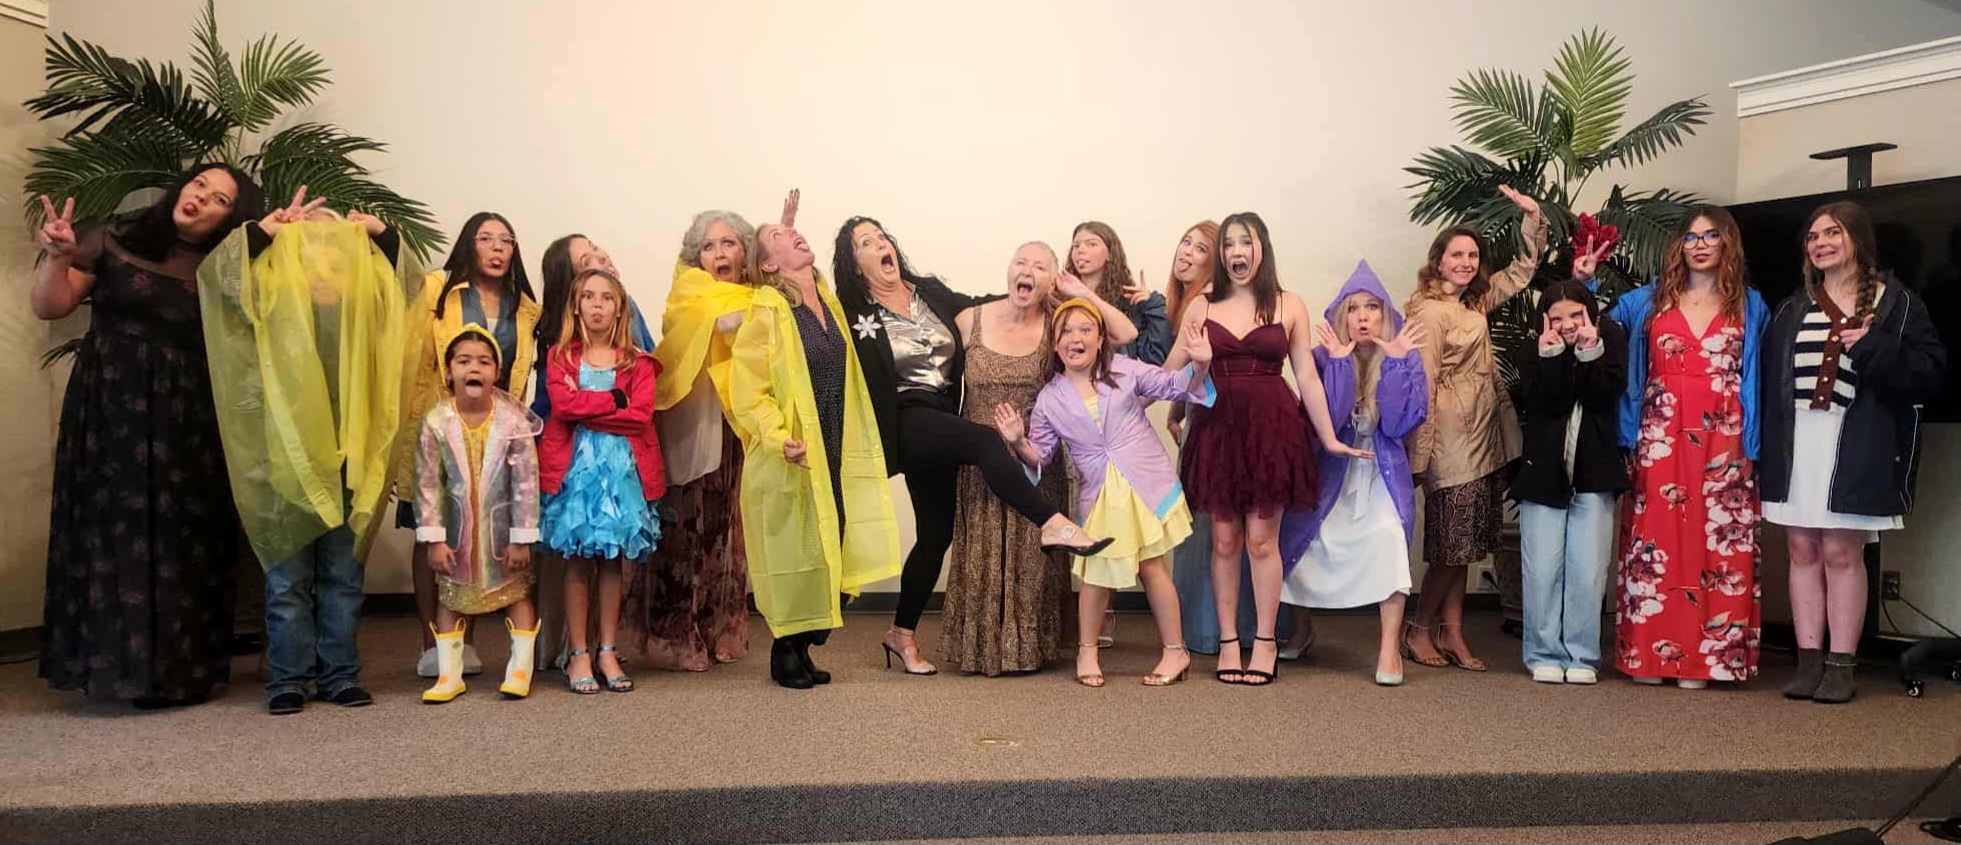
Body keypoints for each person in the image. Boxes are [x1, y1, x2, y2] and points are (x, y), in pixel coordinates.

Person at [832, 217, 1114, 675]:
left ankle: (900, 634)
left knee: (935, 534)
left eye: (882, 236)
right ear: (854, 262)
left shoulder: (927, 293)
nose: (880, 244)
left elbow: (986, 307)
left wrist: (1044, 292)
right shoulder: (851, 309)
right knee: (985, 439)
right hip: (903, 418)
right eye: (866, 242)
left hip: (941, 421)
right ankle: (1053, 523)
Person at [33, 165, 264, 708]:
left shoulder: (228, 267)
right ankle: (116, 669)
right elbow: (50, 305)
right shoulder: (115, 235)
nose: (202, 198)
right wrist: (59, 258)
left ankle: (181, 671)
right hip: (111, 407)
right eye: (199, 184)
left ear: (230, 219)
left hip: (192, 413)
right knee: (113, 530)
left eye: (220, 200)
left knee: (188, 535)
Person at [199, 189, 416, 714]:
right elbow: (220, 283)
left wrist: (382, 236)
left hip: (351, 459)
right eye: (309, 252)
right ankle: (289, 679)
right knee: (286, 577)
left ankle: (340, 674)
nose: (322, 266)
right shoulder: (270, 297)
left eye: (335, 256)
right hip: (286, 456)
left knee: (343, 575)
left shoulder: (369, 309)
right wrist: (265, 234)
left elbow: (410, 289)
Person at [1166, 211, 1363, 686]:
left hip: (1272, 430)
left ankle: (1267, 641)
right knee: (1224, 541)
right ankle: (1228, 641)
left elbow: (1307, 378)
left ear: (1262, 249)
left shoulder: (1289, 304)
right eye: (1229, 244)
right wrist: (1144, 399)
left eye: (1245, 242)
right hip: (1217, 428)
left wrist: (1330, 438)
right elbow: (1168, 375)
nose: (1236, 251)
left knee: (1261, 542)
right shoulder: (1201, 307)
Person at [1761, 201, 1945, 704]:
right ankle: (1808, 662)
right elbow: (1769, 380)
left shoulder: (1897, 304)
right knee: (1801, 550)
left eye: (1832, 233)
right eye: (1813, 236)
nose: (1820, 243)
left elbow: (1929, 373)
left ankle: (1841, 665)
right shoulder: (1792, 307)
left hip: (1858, 441)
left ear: (1858, 239)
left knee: (1841, 552)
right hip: (1797, 442)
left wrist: (1872, 346)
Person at [942, 242, 1136, 676]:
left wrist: (1080, 293)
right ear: (1009, 270)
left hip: (1034, 462)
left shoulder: (1058, 325)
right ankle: (981, 649)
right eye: (1021, 262)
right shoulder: (970, 319)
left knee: (1031, 562)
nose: (1027, 271)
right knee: (982, 561)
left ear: (1052, 280)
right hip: (978, 468)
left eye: (1040, 266)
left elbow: (1124, 335)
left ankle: (1028, 650)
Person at [998, 298, 1214, 686]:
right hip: (1099, 494)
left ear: (1100, 339)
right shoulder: (1049, 398)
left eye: (1085, 329)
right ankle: (1087, 652)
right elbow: (1040, 456)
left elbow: (1173, 385)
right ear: (1055, 343)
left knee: (1152, 567)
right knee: (1096, 572)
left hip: (1144, 484)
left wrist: (1200, 365)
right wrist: (1017, 442)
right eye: (1066, 331)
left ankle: (1175, 652)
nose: (1075, 338)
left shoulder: (1125, 370)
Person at [729, 220, 903, 689]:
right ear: (768, 265)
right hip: (794, 452)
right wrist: (777, 437)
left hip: (834, 445)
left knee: (832, 546)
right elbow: (748, 389)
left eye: (792, 231)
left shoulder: (828, 303)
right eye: (778, 238)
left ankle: (805, 645)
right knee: (798, 550)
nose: (794, 234)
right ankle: (785, 648)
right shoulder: (767, 310)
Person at [1604, 206, 1769, 689]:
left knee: (1717, 541)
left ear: (1727, 243)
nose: (1700, 245)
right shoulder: (1646, 301)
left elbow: (1761, 374)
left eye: (1711, 235)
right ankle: (1650, 657)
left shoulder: (1751, 305)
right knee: (1656, 541)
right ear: (1678, 245)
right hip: (1659, 433)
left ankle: (1706, 661)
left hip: (1727, 436)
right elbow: (1597, 332)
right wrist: (1586, 280)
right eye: (1692, 237)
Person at [1403, 185, 1548, 673]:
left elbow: (1522, 271)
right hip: (1449, 440)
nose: (1466, 262)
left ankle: (1453, 632)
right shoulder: (1427, 311)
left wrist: (1533, 218)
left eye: (1472, 255)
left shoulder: (1472, 303)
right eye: (1457, 255)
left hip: (1485, 433)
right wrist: (1418, 457)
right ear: (1438, 261)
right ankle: (1419, 630)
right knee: (1450, 546)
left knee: (1466, 545)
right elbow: (1421, 386)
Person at [637, 204, 788, 671]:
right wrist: (758, 308)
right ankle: (676, 634)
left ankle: (723, 626)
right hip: (693, 421)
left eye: (729, 243)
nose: (719, 253)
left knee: (730, 526)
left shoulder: (759, 295)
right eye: (708, 246)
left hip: (737, 422)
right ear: (696, 256)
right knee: (687, 525)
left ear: (745, 253)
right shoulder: (690, 290)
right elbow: (717, 325)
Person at [397, 212, 541, 679]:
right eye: (486, 238)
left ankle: (469, 642)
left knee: (482, 532)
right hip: (443, 427)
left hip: (497, 434)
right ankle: (433, 645)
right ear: (468, 245)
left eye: (506, 240)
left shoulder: (525, 307)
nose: (497, 248)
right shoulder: (438, 291)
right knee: (434, 531)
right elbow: (413, 354)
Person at [1277, 261, 1429, 686]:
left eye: (1372, 307)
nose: (1363, 317)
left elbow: (1399, 425)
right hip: (1333, 475)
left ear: (1384, 314)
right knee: (1300, 541)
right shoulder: (1322, 357)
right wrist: (1341, 367)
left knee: (1389, 540)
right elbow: (1326, 418)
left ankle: (1388, 648)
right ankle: (1303, 629)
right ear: (1342, 317)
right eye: (1354, 308)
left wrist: (1395, 366)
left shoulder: (1404, 357)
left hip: (1381, 476)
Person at [532, 234, 655, 672]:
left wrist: (591, 406)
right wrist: (614, 401)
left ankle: (606, 650)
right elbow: (564, 407)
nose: (598, 305)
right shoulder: (560, 357)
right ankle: (578, 653)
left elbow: (639, 414)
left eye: (606, 298)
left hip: (621, 474)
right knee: (577, 561)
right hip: (574, 473)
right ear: (575, 305)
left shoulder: (636, 361)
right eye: (588, 297)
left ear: (620, 308)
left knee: (612, 563)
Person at [415, 327, 544, 702]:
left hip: (501, 535)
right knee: (451, 598)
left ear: (496, 373)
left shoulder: (513, 423)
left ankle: (520, 669)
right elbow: (427, 484)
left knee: (516, 594)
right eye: (464, 361)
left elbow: (526, 483)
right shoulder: (436, 422)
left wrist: (521, 538)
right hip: (457, 535)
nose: (474, 368)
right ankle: (449, 674)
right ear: (449, 372)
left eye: (484, 362)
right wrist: (434, 539)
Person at [1511, 274, 1628, 686]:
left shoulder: (1610, 340)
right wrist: (1553, 357)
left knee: (1588, 571)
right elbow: (1548, 403)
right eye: (1556, 317)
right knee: (1542, 571)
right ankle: (1543, 652)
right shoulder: (1533, 349)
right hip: (1542, 477)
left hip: (1594, 475)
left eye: (1575, 315)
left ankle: (1583, 654)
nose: (1567, 324)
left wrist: (1589, 352)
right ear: (1544, 319)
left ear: (1590, 313)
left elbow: (1602, 396)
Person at [1070, 221, 1170, 364]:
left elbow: (1155, 357)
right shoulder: (1062, 297)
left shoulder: (1127, 301)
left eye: (1091, 244)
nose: (1080, 250)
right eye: (1076, 245)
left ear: (1110, 254)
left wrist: (1152, 304)